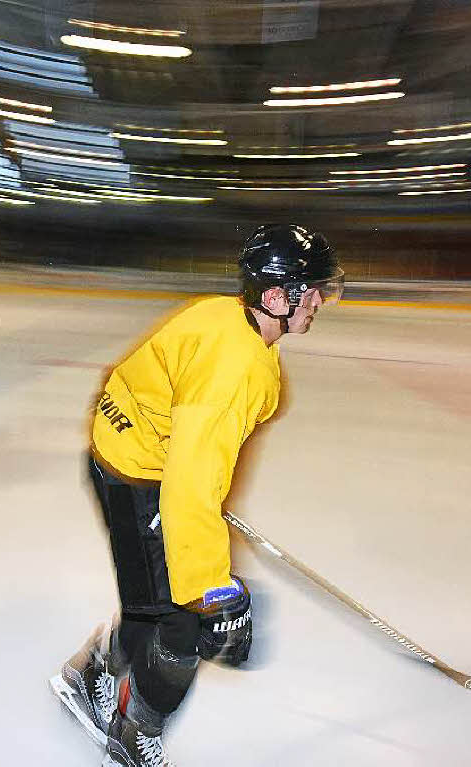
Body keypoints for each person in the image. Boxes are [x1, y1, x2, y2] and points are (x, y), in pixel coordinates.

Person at [49, 224, 344, 766]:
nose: (322, 300)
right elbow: (187, 492)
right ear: (277, 297)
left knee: (153, 602)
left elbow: (149, 386)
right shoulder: (235, 370)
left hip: (126, 455)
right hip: (136, 477)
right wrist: (214, 592)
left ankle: (89, 673)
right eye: (313, 289)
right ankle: (133, 734)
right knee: (185, 625)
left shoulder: (226, 317)